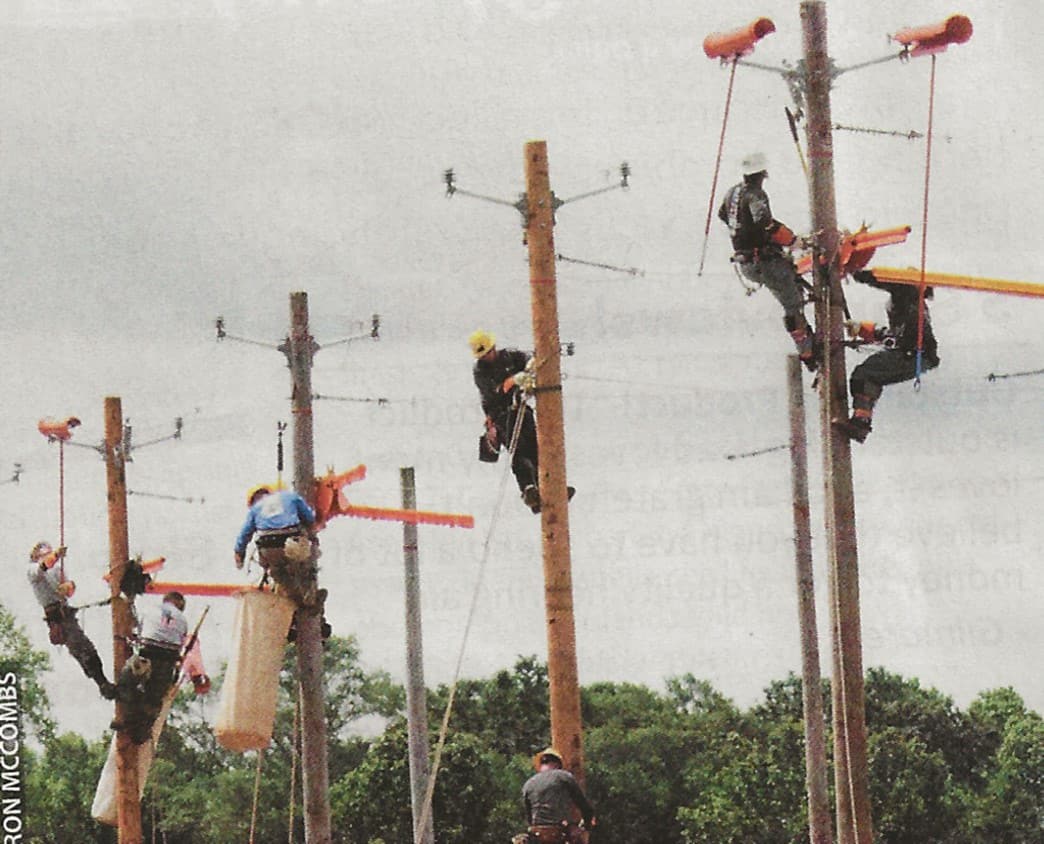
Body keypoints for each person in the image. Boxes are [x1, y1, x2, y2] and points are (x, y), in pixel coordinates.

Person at [718, 152, 819, 371]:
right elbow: (764, 221)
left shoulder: (732, 192)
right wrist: (792, 241)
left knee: (792, 283)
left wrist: (744, 232)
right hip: (763, 261)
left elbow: (722, 214)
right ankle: (809, 355)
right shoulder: (755, 194)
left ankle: (808, 343)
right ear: (762, 173)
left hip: (747, 262)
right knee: (792, 306)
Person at [835, 269, 940, 443]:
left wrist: (865, 276)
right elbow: (893, 335)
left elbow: (896, 287)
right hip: (915, 356)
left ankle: (861, 422)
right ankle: (861, 421)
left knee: (865, 375)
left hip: (913, 354)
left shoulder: (908, 297)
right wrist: (862, 328)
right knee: (869, 376)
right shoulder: (910, 305)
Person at [114, 591, 207, 744]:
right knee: (154, 698)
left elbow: (135, 632)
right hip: (167, 661)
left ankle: (124, 718)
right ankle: (142, 730)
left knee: (125, 683)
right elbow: (180, 642)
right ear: (179, 604)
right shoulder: (183, 620)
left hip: (147, 654)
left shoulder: (150, 609)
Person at [27, 541, 116, 700]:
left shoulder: (56, 569)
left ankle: (102, 682)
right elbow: (42, 568)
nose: (48, 556)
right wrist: (55, 556)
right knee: (82, 650)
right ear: (36, 556)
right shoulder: (33, 569)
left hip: (65, 613)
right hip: (57, 617)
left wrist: (68, 587)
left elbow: (68, 589)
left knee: (86, 649)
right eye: (45, 554)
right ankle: (102, 684)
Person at [469, 329, 544, 513]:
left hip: (521, 409)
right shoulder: (480, 371)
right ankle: (527, 488)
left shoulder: (510, 356)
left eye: (488, 352)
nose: (487, 356)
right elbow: (497, 390)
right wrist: (515, 379)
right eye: (483, 354)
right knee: (518, 449)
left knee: (536, 450)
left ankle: (545, 490)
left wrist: (532, 366)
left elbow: (528, 360)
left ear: (494, 347)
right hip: (501, 415)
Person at [234, 484, 319, 603]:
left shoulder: (255, 509)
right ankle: (307, 589)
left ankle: (293, 598)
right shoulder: (290, 496)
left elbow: (244, 535)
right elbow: (309, 518)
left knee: (278, 573)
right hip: (293, 544)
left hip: (269, 548)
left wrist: (239, 554)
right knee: (303, 565)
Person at [521, 748, 596, 844]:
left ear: (541, 765)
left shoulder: (528, 784)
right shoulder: (564, 777)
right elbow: (585, 807)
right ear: (558, 764)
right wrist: (586, 826)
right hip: (558, 833)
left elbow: (529, 818)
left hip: (536, 834)